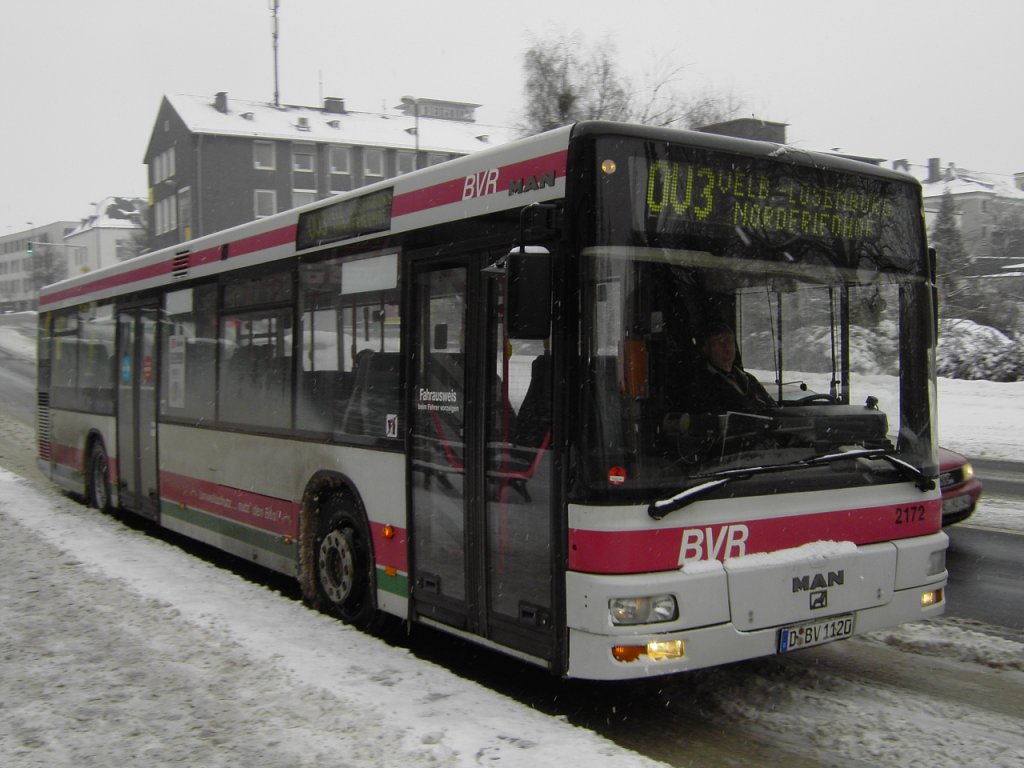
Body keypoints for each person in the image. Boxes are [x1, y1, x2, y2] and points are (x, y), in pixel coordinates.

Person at [692, 322, 775, 415]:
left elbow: (773, 409)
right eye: (720, 342)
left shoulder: (749, 379)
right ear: (706, 349)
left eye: (730, 341)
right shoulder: (702, 383)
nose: (727, 347)